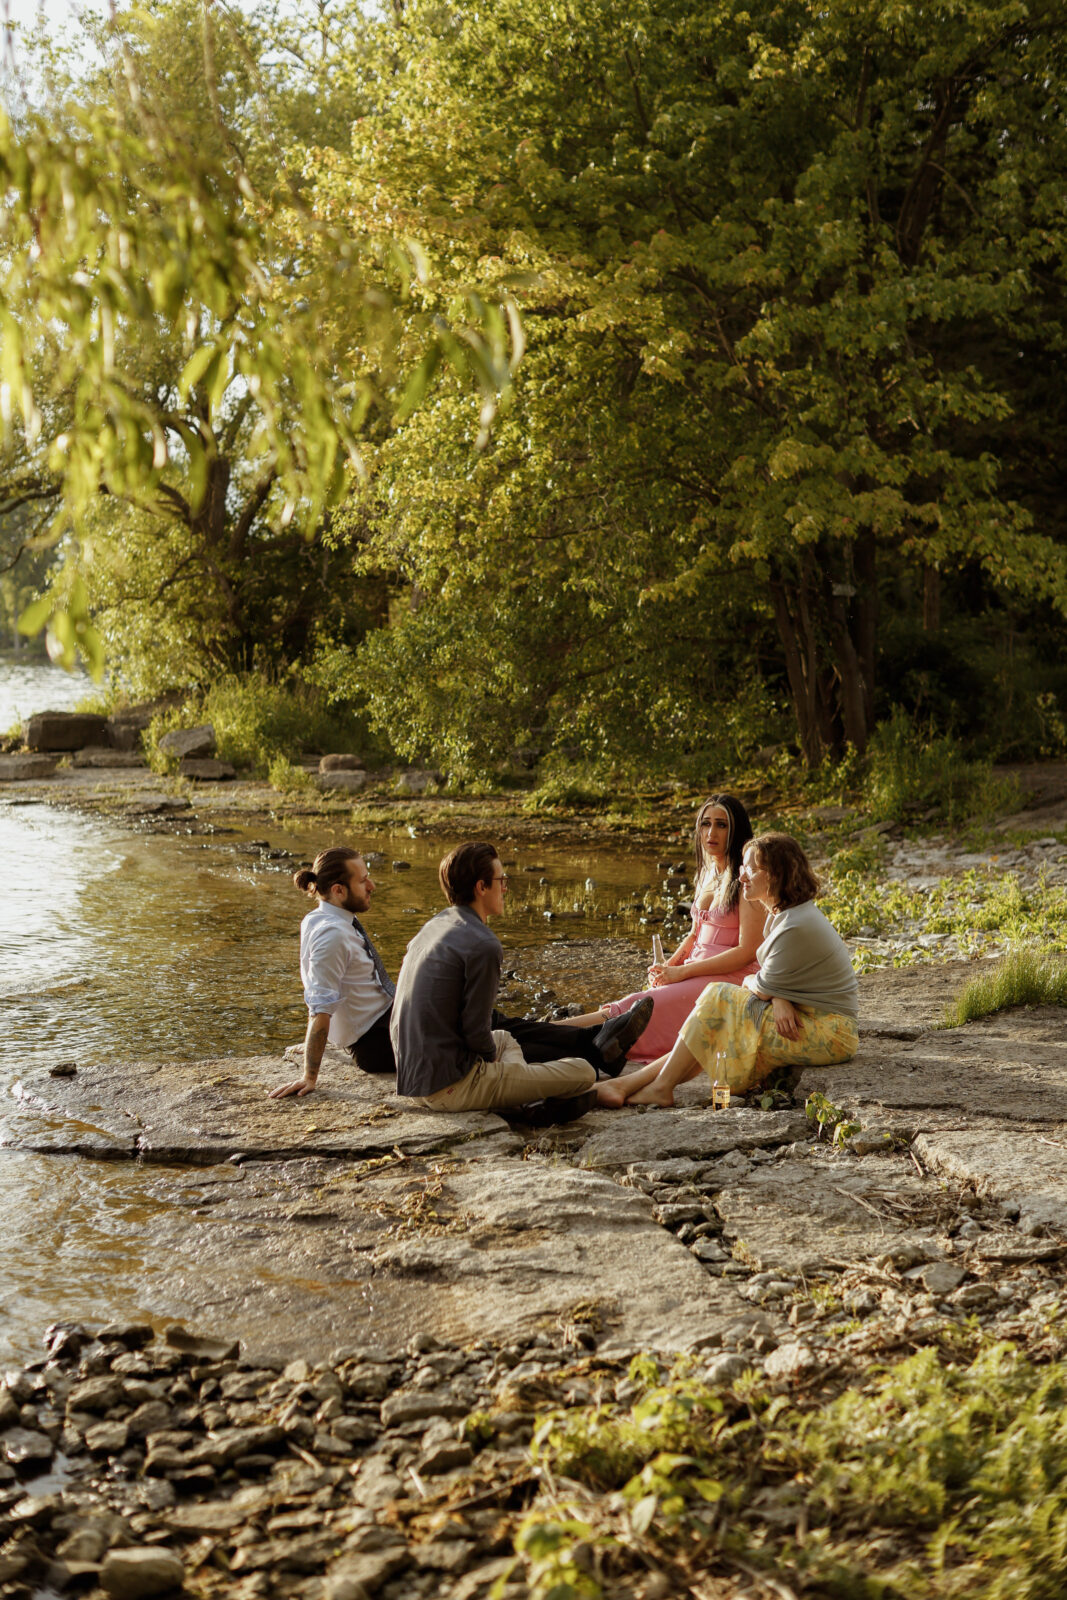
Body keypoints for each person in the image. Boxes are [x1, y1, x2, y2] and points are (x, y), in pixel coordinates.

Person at [270, 845, 652, 1100]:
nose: (372, 884)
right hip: (374, 1040)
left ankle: (592, 1040)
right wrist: (310, 1075)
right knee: (482, 1029)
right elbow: (320, 1008)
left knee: (491, 1019)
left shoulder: (326, 920)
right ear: (338, 890)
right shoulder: (330, 936)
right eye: (362, 880)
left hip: (384, 1018)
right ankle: (592, 1050)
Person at [602, 832, 859, 1107]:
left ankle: (659, 1087)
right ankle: (639, 1085)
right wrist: (777, 995)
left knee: (720, 1005)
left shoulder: (793, 925)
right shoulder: (785, 915)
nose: (742, 877)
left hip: (830, 1033)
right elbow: (767, 981)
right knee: (718, 1014)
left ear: (775, 874)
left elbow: (757, 984)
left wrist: (769, 992)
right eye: (741, 868)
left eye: (750, 869)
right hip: (812, 1020)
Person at [391, 841, 640, 1121]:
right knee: (583, 1071)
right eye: (501, 880)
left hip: (416, 1078)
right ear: (481, 887)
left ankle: (524, 1098)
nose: (505, 887)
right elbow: (475, 1031)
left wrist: (491, 1058)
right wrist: (489, 1062)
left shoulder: (434, 926)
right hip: (450, 1087)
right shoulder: (482, 944)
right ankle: (525, 1102)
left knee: (505, 1038)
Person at [562, 795, 761, 1062]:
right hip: (694, 971)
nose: (711, 832)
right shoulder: (707, 873)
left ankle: (554, 1036)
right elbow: (694, 935)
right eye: (706, 824)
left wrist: (681, 973)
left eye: (722, 825)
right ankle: (543, 1033)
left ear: (736, 831)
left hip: (728, 980)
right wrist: (668, 966)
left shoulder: (745, 877)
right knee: (640, 1003)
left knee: (639, 1006)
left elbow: (747, 951)